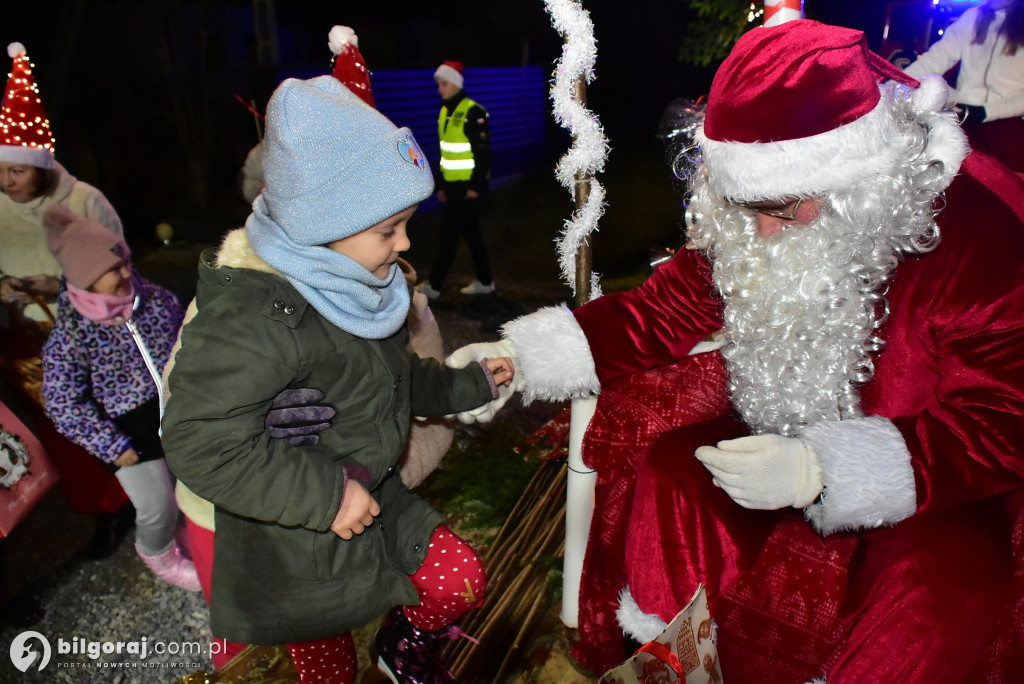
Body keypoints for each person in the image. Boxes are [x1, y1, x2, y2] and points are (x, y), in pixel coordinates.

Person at [449, 19, 1024, 682]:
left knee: (943, 590)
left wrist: (825, 470)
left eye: (778, 209)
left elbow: (1003, 422)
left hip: (930, 489)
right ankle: (681, 664)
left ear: (854, 178)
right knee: (672, 468)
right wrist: (515, 359)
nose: (759, 232)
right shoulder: (760, 218)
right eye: (743, 205)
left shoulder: (979, 237)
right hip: (783, 445)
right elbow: (662, 310)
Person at [161, 74, 515, 684]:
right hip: (297, 535)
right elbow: (196, 438)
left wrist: (469, 385)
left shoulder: (353, 282)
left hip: (376, 494)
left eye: (405, 223)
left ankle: (399, 649)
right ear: (325, 222)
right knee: (327, 670)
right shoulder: (254, 316)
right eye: (388, 229)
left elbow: (395, 375)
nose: (405, 244)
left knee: (460, 583)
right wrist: (323, 496)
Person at [0, 40, 132, 559]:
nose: (7, 182)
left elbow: (122, 271)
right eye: (1, 171)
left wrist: (63, 285)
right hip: (26, 346)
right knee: (64, 438)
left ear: (43, 165)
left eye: (17, 171)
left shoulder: (84, 200)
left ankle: (139, 499)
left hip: (88, 337)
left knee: (109, 421)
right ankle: (103, 509)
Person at [38, 205, 200, 592]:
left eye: (125, 262)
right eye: (113, 270)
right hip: (128, 439)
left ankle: (192, 537)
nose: (127, 274)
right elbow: (62, 403)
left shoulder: (154, 300)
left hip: (174, 418)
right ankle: (159, 554)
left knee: (189, 488)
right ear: (85, 279)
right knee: (156, 505)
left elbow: (187, 342)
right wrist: (110, 445)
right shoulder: (70, 336)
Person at [905, 0, 1024, 173]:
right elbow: (936, 58)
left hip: (1008, 121)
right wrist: (893, 83)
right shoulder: (973, 16)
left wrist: (986, 112)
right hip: (964, 115)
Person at [415, 60, 495, 299]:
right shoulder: (444, 112)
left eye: (444, 84)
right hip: (452, 186)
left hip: (466, 187)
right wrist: (441, 184)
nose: (440, 88)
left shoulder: (473, 111)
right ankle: (485, 282)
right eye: (439, 84)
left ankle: (435, 285)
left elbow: (483, 152)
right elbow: (445, 152)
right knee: (471, 234)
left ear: (456, 84)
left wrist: (476, 186)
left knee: (449, 234)